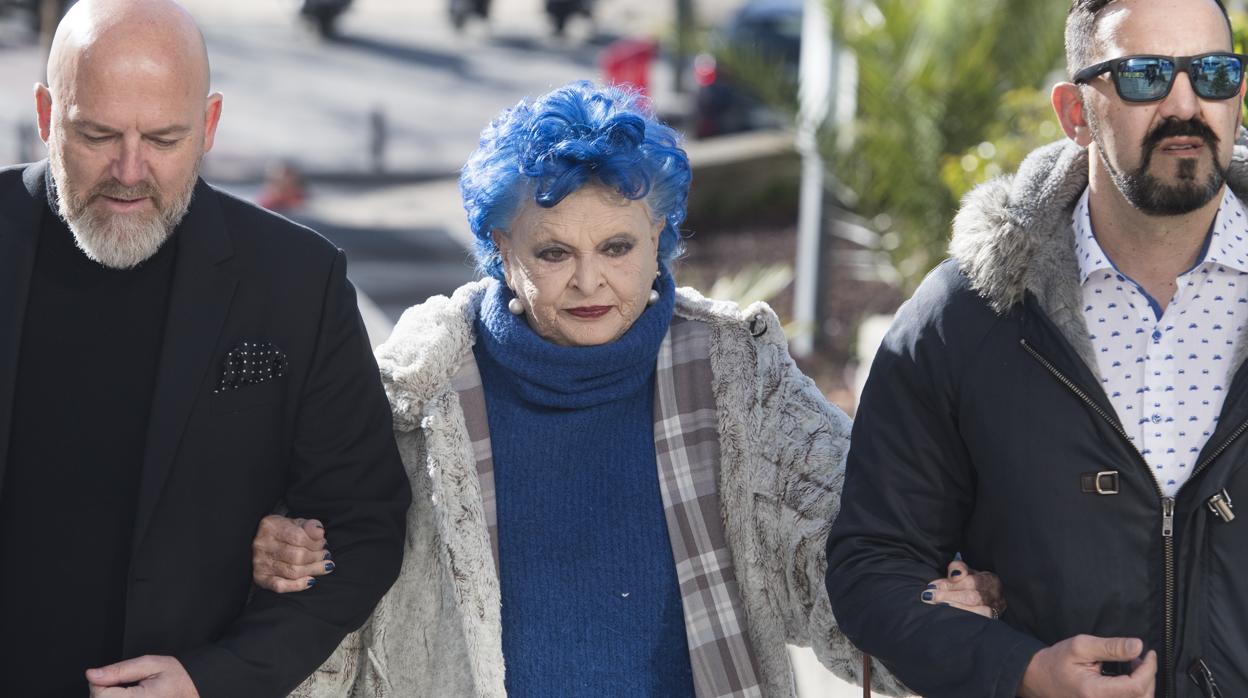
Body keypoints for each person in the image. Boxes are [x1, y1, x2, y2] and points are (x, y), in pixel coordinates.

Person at [251, 80, 1004, 697]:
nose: (589, 280)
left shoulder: (737, 373)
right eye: (552, 251)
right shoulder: (415, 395)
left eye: (617, 246)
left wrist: (931, 607)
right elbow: (327, 604)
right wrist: (280, 551)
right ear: (498, 250)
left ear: (661, 241)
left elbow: (848, 549)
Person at [826, 0, 1248, 696]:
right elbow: (875, 565)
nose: (1185, 105)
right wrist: (1016, 671)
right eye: (1143, 76)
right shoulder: (962, 318)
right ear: (1075, 112)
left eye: (1211, 73)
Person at [0, 0, 410, 695]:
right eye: (98, 133)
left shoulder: (298, 283)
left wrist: (215, 681)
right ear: (45, 115)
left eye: (163, 139)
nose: (129, 171)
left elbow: (364, 523)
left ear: (210, 125)